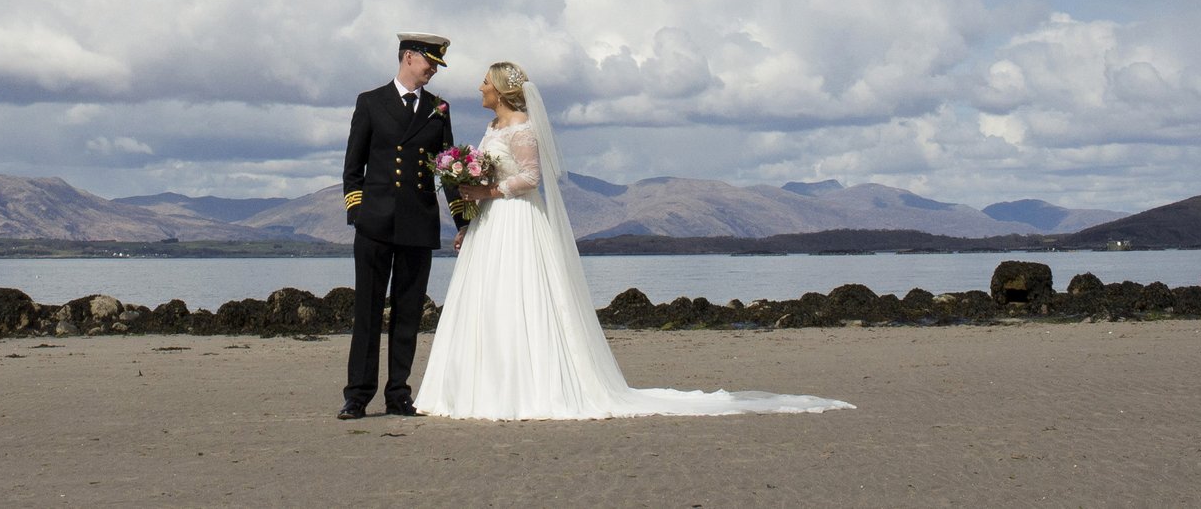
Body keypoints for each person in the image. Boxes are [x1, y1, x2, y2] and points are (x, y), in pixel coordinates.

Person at [416, 60, 852, 421]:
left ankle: (524, 385)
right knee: (485, 299)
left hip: (517, 220)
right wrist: (471, 202)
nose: (478, 87)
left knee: (521, 296)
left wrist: (489, 191)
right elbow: (489, 170)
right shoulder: (491, 127)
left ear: (501, 89)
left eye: (485, 82)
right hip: (491, 224)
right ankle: (477, 385)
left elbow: (530, 179)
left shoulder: (524, 130)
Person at [338, 32, 455, 419]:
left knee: (408, 313)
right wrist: (357, 211)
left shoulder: (439, 109)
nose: (433, 71)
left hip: (418, 225)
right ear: (408, 57)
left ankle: (398, 393)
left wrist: (462, 222)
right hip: (375, 223)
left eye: (437, 66)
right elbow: (353, 166)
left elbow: (449, 169)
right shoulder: (371, 102)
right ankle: (357, 395)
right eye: (430, 63)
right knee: (367, 312)